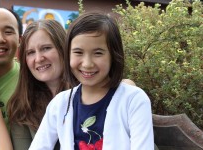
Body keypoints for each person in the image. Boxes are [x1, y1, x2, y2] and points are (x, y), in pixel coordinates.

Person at [29, 11, 154, 150]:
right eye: (78, 52)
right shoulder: (59, 104)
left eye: (98, 53)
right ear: (68, 54)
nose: (87, 63)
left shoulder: (133, 100)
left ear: (114, 55)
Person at [7, 19, 70, 150]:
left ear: (63, 48)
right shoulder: (22, 108)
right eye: (30, 52)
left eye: (46, 48)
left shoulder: (90, 94)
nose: (39, 58)